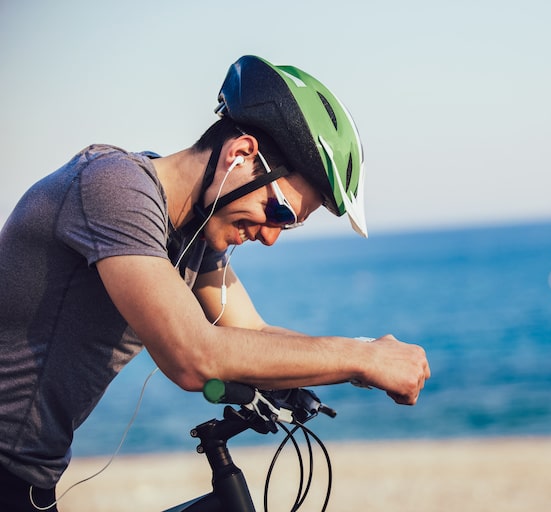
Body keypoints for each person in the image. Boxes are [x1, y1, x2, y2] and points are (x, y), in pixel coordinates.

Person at [0, 55, 430, 511]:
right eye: (279, 212)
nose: (269, 237)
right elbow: (196, 357)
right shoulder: (115, 189)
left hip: (29, 478)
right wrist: (363, 359)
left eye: (289, 225)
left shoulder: (192, 230)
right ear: (240, 154)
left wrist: (362, 354)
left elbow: (249, 334)